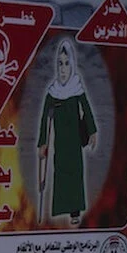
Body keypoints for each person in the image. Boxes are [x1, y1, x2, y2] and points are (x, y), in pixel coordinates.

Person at [37, 38, 97, 226]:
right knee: (60, 174)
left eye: (66, 63)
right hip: (60, 144)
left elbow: (86, 110)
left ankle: (74, 212)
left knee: (75, 175)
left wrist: (93, 132)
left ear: (72, 64)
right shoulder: (52, 92)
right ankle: (60, 209)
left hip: (74, 142)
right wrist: (43, 143)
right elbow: (44, 119)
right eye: (60, 64)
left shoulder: (77, 88)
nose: (63, 68)